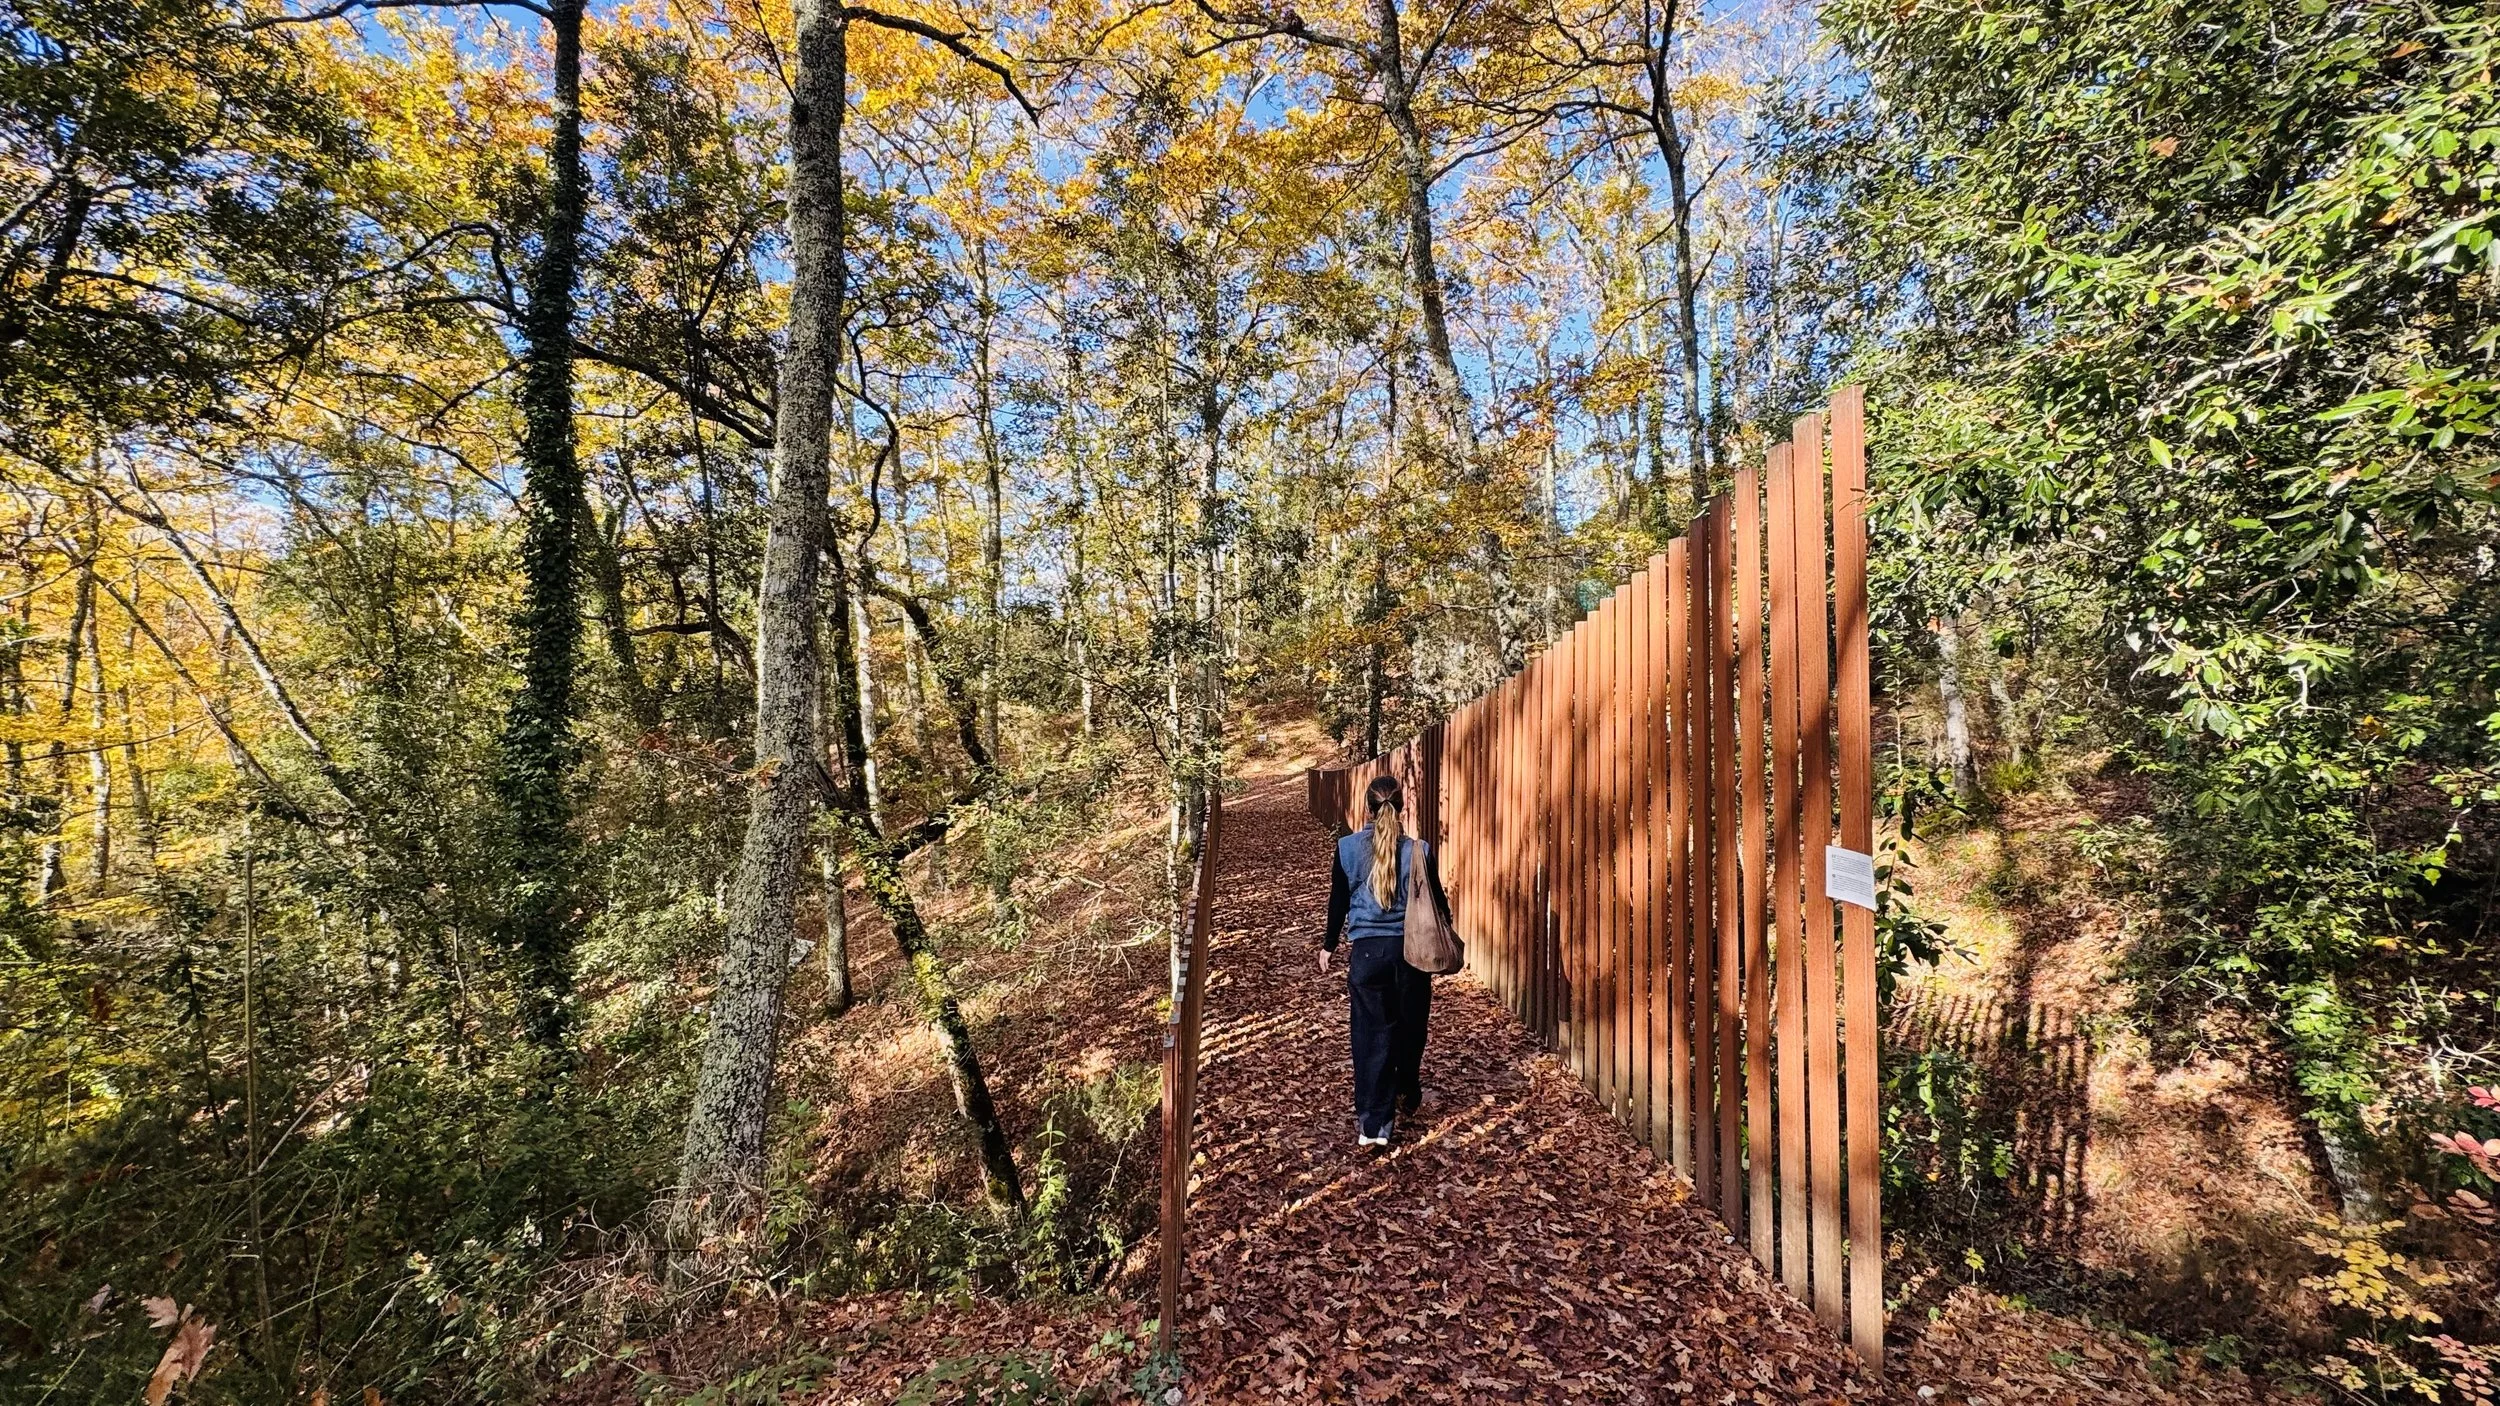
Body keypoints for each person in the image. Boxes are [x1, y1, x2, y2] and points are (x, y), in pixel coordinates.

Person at [1319, 775, 1454, 1147]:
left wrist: (1328, 946)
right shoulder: (1418, 850)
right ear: (1401, 807)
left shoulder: (1346, 848)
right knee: (1410, 1029)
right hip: (1410, 955)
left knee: (1370, 1037)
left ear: (1367, 808)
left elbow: (1338, 902)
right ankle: (1407, 1087)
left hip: (1366, 956)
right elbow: (1438, 904)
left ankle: (1374, 1126)